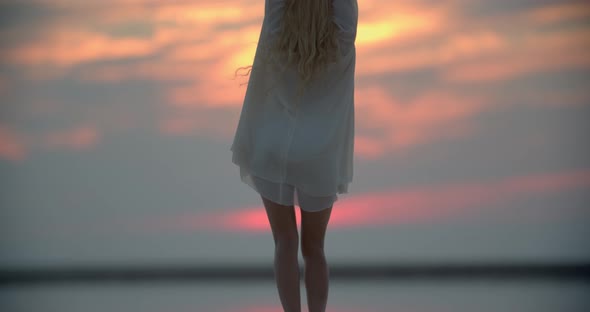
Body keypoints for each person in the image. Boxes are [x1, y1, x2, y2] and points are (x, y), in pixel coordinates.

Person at [230, 0, 358, 311]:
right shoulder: (341, 39)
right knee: (314, 248)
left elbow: (274, 12)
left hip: (274, 145)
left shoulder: (277, 32)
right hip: (320, 154)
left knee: (284, 243)